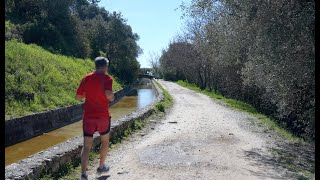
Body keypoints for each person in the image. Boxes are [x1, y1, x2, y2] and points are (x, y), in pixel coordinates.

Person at [76, 57, 114, 180]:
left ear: (95, 66)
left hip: (88, 117)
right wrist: (112, 97)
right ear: (105, 66)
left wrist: (89, 94)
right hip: (102, 117)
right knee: (105, 141)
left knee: (86, 146)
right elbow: (109, 95)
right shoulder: (107, 79)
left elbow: (78, 97)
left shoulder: (86, 78)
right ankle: (101, 166)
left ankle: (83, 174)